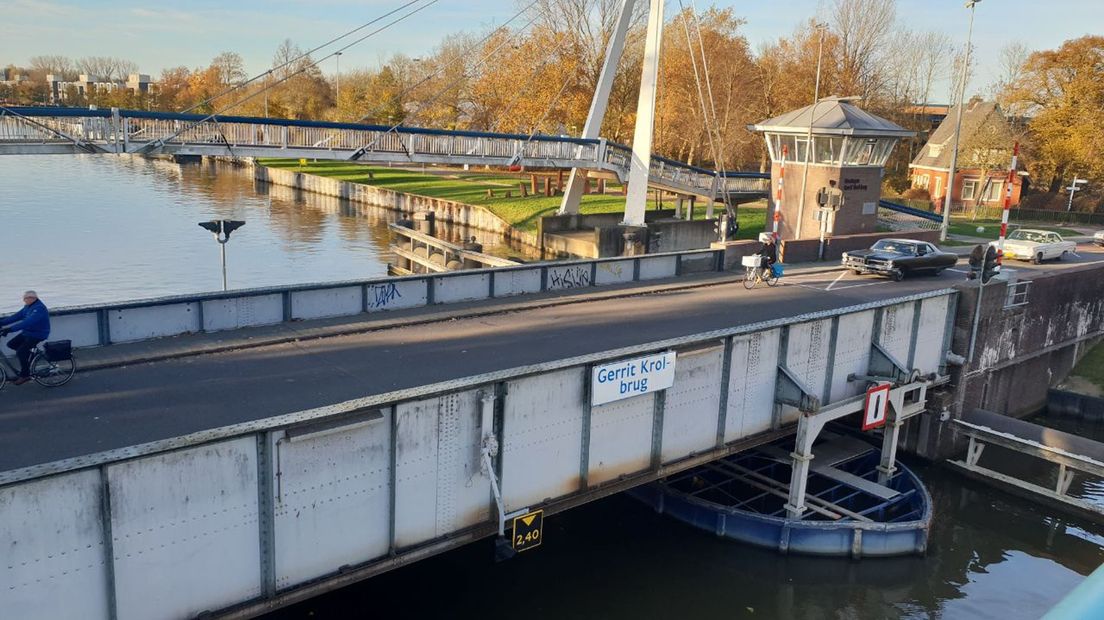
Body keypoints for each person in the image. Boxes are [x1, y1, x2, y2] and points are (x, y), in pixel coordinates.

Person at [0, 291, 51, 385]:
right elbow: (15, 317)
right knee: (11, 344)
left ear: (33, 298)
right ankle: (32, 359)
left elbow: (27, 322)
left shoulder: (39, 309)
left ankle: (25, 375)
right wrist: (1, 322)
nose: (24, 300)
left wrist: (10, 329)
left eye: (26, 298)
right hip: (28, 333)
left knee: (21, 351)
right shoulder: (27, 307)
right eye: (24, 298)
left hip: (38, 334)